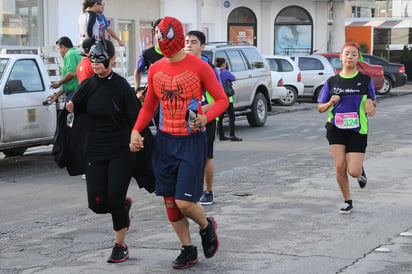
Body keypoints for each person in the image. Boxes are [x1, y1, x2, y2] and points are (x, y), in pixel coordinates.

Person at [130, 17, 228, 269]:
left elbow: (221, 100)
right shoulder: (155, 69)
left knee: (185, 202)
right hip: (165, 140)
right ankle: (187, 248)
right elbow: (150, 104)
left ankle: (206, 227)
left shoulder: (200, 67)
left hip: (191, 141)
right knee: (170, 202)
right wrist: (136, 130)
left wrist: (205, 116)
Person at [66, 39, 138, 263]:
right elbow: (76, 107)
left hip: (121, 149)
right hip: (96, 150)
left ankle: (120, 245)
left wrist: (138, 138)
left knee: (114, 198)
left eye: (101, 60)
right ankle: (123, 207)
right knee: (97, 204)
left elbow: (136, 117)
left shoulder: (122, 86)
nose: (96, 64)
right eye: (92, 60)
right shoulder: (88, 85)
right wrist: (71, 107)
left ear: (112, 60)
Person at [317, 41, 377, 214]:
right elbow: (320, 108)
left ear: (358, 58)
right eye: (346, 54)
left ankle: (360, 170)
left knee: (353, 170)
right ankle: (347, 200)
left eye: (353, 54)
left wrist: (369, 102)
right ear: (340, 57)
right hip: (336, 128)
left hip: (358, 129)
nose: (349, 57)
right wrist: (330, 102)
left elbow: (373, 101)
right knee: (340, 166)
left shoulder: (365, 80)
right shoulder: (332, 81)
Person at [184, 30, 219, 206]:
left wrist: (200, 112)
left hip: (207, 116)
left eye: (194, 42)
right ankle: (187, 189)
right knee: (185, 154)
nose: (189, 45)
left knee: (205, 156)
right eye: (187, 41)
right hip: (185, 116)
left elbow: (219, 99)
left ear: (202, 46)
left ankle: (208, 191)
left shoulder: (209, 68)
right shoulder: (181, 65)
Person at [134, 18, 163, 100]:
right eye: (157, 32)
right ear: (154, 34)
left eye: (163, 32)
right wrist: (138, 90)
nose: (160, 35)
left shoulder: (177, 54)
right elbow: (137, 71)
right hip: (153, 96)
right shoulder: (146, 54)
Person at [47, 36, 83, 104]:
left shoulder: (69, 55)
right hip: (77, 92)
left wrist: (58, 83)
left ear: (63, 47)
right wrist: (56, 95)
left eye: (58, 49)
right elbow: (68, 84)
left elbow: (72, 73)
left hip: (73, 94)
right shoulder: (75, 53)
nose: (59, 51)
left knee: (67, 114)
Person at [215, 57, 242, 142]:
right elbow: (234, 78)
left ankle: (221, 135)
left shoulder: (215, 71)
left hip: (218, 97)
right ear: (223, 64)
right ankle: (232, 135)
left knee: (220, 117)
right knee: (231, 116)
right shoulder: (225, 72)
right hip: (227, 98)